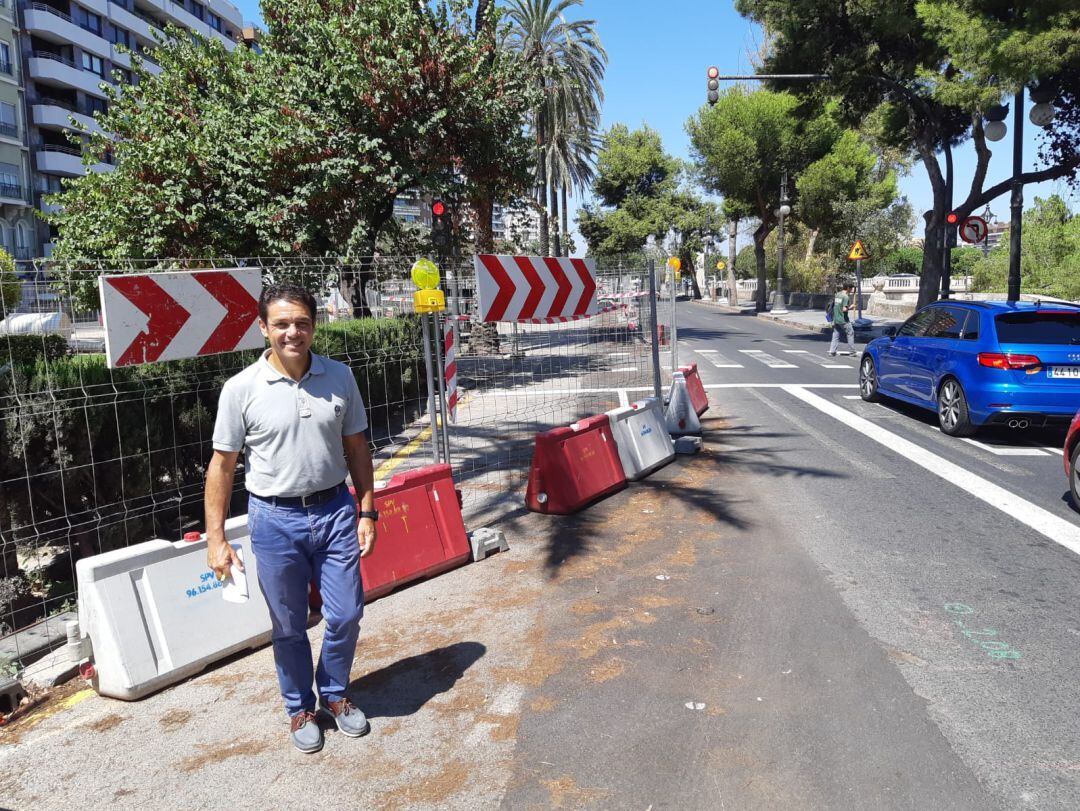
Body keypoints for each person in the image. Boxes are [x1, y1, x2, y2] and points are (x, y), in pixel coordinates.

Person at [204, 284, 378, 754]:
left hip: (335, 511)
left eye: (301, 322)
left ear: (314, 326)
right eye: (281, 323)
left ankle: (336, 695)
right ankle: (300, 707)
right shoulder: (240, 390)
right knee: (288, 624)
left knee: (346, 613)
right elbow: (221, 466)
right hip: (274, 520)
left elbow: (358, 448)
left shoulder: (339, 377)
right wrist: (215, 538)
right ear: (264, 328)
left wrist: (367, 508)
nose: (292, 332)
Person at [829, 282, 858, 356]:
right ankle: (852, 351)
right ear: (848, 288)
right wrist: (851, 307)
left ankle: (832, 351)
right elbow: (844, 309)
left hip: (836, 319)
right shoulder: (845, 297)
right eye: (851, 288)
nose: (851, 289)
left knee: (836, 334)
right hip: (843, 319)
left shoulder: (838, 294)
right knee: (850, 333)